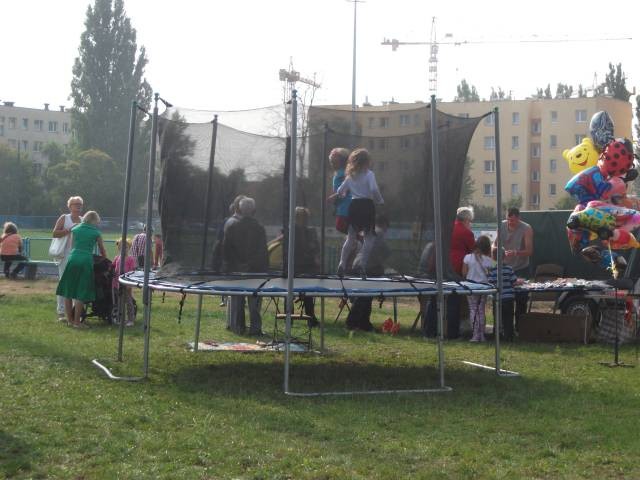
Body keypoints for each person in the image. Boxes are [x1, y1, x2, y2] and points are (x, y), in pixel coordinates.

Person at [329, 148, 384, 278]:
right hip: (367, 206)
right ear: (367, 162)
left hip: (354, 206)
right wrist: (380, 200)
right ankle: (362, 265)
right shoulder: (369, 174)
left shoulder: (350, 176)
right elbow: (374, 189)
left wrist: (337, 196)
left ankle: (342, 263)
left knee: (351, 237)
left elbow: (341, 191)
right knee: (369, 237)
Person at [223, 197, 268, 335]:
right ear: (253, 210)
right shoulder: (259, 228)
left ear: (239, 209)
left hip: (236, 269)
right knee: (255, 301)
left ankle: (237, 327)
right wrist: (252, 264)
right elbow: (262, 251)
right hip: (255, 270)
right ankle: (255, 328)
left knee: (237, 299)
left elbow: (227, 249)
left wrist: (236, 265)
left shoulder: (232, 226)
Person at [56, 211, 107, 328]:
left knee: (68, 291)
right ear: (94, 221)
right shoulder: (96, 233)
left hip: (73, 258)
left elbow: (72, 246)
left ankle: (69, 320)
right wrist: (104, 259)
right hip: (86, 260)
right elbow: (102, 249)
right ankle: (77, 322)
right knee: (81, 292)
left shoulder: (75, 229)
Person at [346, 214, 391, 331]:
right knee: (364, 296)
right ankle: (352, 322)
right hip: (368, 267)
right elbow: (386, 251)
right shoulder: (379, 232)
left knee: (366, 296)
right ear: (384, 224)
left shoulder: (369, 231)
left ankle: (364, 323)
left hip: (359, 264)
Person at [492, 207, 533, 332]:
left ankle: (520, 328)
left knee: (521, 299)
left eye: (513, 221)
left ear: (519, 218)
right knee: (505, 299)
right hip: (505, 268)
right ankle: (503, 328)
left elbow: (529, 251)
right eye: (509, 220)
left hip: (521, 268)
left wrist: (516, 252)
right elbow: (494, 244)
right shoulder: (501, 225)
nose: (511, 223)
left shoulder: (526, 228)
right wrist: (498, 251)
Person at [52, 196, 84, 320]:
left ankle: (75, 312)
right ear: (70, 206)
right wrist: (69, 230)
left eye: (80, 204)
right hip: (65, 254)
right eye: (76, 204)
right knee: (64, 282)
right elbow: (55, 233)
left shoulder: (83, 220)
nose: (78, 206)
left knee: (77, 282)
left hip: (78, 255)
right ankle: (61, 312)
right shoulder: (64, 218)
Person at [462, 235, 494, 342]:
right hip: (483, 287)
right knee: (481, 310)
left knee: (473, 309)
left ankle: (475, 335)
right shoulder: (488, 260)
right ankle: (482, 335)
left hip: (471, 287)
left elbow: (464, 273)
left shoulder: (467, 258)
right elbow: (495, 269)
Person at [294, 207, 320, 323]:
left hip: (308, 265)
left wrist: (313, 253)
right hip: (295, 266)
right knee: (290, 291)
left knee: (308, 292)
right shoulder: (291, 231)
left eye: (306, 218)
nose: (305, 220)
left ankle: (310, 317)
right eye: (302, 217)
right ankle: (288, 316)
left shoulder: (311, 231)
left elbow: (316, 247)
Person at [487, 252, 521, 342]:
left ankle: (497, 335)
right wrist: (521, 281)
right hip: (508, 297)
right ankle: (509, 336)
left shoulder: (492, 270)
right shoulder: (509, 269)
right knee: (508, 318)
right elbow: (514, 282)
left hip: (497, 298)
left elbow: (490, 282)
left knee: (497, 317)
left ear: (493, 257)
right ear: (504, 256)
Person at [112, 238, 137, 326]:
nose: (124, 249)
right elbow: (113, 267)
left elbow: (132, 272)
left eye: (126, 247)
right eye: (121, 247)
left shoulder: (130, 259)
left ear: (129, 248)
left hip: (126, 283)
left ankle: (131, 319)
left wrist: (129, 284)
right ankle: (121, 319)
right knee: (120, 302)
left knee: (129, 302)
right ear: (119, 248)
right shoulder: (117, 258)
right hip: (117, 283)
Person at [329, 147, 352, 234]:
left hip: (346, 207)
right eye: (332, 162)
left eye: (335, 162)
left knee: (340, 226)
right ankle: (357, 239)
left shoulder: (343, 174)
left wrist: (334, 197)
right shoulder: (339, 174)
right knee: (344, 228)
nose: (333, 165)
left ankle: (360, 239)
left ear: (343, 162)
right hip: (343, 207)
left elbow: (346, 189)